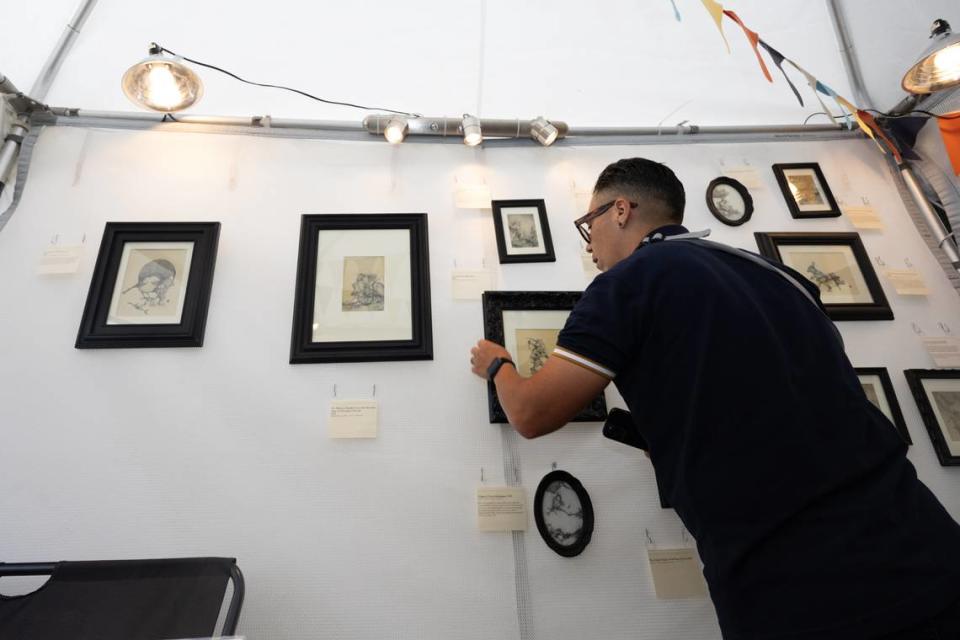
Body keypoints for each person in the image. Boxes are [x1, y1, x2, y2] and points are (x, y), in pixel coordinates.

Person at [469, 157, 960, 640]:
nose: (591, 247)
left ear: (620, 211)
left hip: (796, 584)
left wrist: (498, 364)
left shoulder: (627, 283)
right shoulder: (781, 276)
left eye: (587, 224)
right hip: (925, 543)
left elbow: (531, 414)